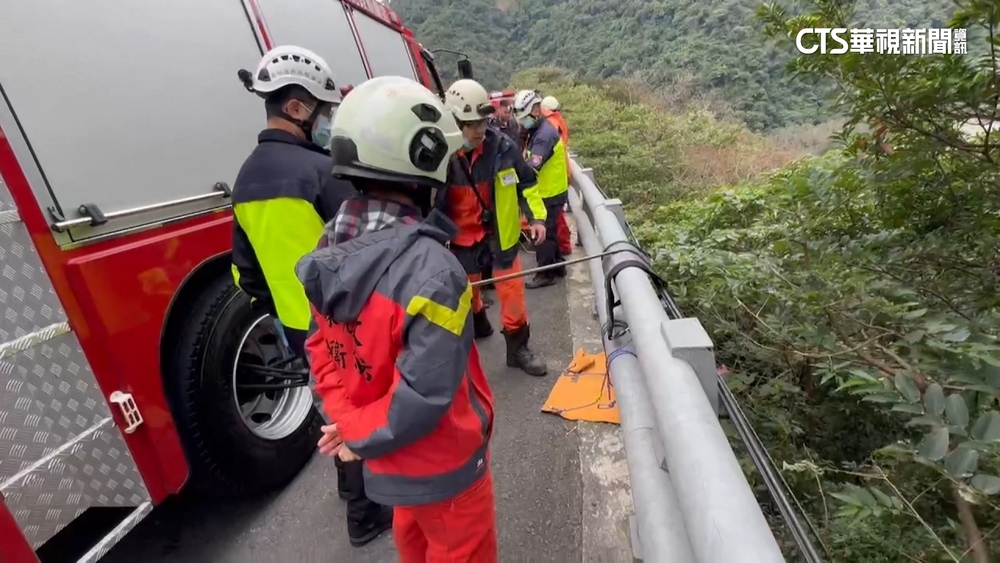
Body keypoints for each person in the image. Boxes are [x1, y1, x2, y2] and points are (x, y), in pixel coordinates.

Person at [297, 75, 498, 563]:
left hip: (390, 468)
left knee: (414, 544)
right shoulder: (434, 271)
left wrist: (350, 426)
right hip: (445, 464)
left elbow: (320, 350)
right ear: (423, 164)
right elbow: (426, 392)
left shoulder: (329, 249)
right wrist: (359, 434)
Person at [230, 45, 391, 547]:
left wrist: (283, 307)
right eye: (324, 111)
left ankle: (349, 489)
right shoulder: (323, 173)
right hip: (345, 322)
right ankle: (366, 514)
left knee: (334, 407)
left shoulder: (244, 179)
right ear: (298, 108)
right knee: (364, 408)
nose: (327, 122)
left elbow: (243, 275)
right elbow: (367, 251)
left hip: (296, 327)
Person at [439, 79, 548, 377]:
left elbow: (527, 183)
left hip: (500, 237)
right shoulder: (441, 157)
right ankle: (478, 323)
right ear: (455, 121)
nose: (480, 130)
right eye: (472, 124)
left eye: (483, 122)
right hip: (461, 241)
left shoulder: (503, 148)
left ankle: (518, 348)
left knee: (512, 292)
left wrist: (537, 219)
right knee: (464, 293)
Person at [512, 89, 571, 288]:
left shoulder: (543, 136)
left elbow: (531, 168)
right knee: (552, 232)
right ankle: (557, 266)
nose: (522, 123)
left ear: (536, 111)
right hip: (553, 189)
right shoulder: (537, 130)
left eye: (524, 118)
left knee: (544, 235)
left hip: (549, 192)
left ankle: (545, 273)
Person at [539, 95, 573, 256]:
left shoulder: (550, 125)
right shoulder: (559, 121)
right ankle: (562, 249)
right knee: (558, 218)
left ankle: (563, 248)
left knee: (554, 222)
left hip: (552, 182)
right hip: (561, 174)